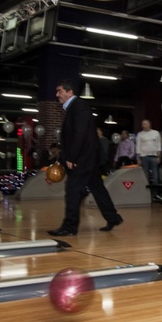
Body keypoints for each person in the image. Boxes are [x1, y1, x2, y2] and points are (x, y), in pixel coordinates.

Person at [47, 79, 123, 236]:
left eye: (60, 91)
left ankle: (69, 227)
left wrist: (72, 157)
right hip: (88, 158)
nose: (57, 94)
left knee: (73, 190)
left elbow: (80, 134)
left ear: (70, 92)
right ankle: (113, 217)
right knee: (97, 189)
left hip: (82, 159)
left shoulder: (79, 107)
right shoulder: (75, 108)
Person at [136, 119, 162, 186]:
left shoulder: (156, 133)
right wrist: (138, 158)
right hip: (144, 156)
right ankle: (146, 190)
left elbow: (158, 145)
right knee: (145, 174)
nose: (143, 126)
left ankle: (155, 190)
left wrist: (159, 156)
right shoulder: (140, 134)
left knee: (155, 174)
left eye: (144, 124)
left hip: (154, 156)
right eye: (142, 124)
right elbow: (138, 146)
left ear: (149, 125)